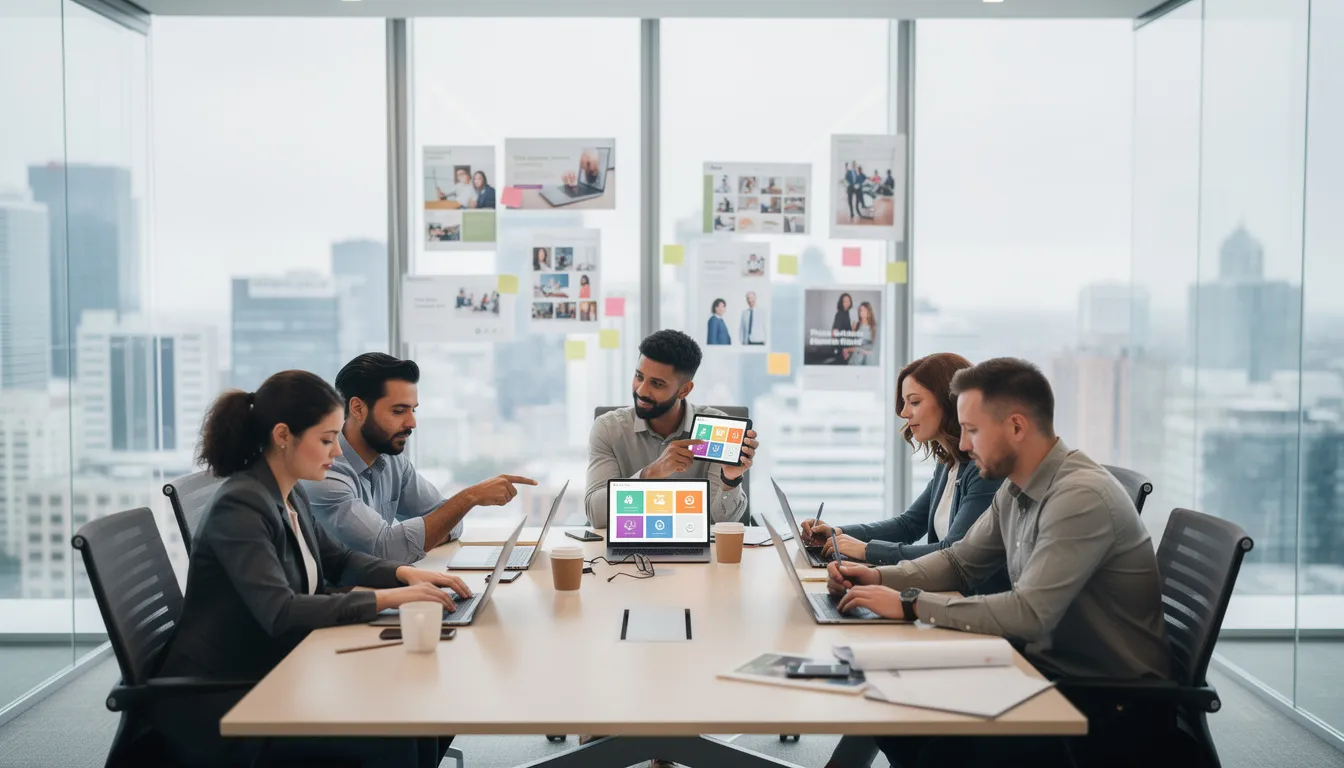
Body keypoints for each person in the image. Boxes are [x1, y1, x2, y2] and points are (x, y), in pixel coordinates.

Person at [827, 358, 1169, 767]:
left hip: (1103, 699)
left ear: (1016, 427)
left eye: (972, 430)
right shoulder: (1016, 487)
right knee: (892, 706)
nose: (965, 445)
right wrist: (879, 575)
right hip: (1040, 667)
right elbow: (959, 562)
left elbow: (1029, 614)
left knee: (932, 740)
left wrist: (909, 603)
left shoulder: (1079, 497)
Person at [156, 370, 466, 767]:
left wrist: (406, 575)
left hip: (280, 667)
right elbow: (282, 611)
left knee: (424, 714)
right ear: (283, 435)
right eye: (326, 439)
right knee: (399, 736)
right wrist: (389, 598)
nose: (337, 452)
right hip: (228, 698)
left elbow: (338, 559)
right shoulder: (242, 507)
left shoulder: (289, 492)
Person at [801, 353, 1008, 768]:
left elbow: (954, 553)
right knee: (873, 683)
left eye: (913, 401)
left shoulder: (984, 474)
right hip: (944, 600)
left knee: (877, 685)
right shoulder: (951, 463)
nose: (903, 413)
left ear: (948, 402)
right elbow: (910, 523)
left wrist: (868, 555)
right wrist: (843, 534)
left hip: (970, 612)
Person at [304, 353, 538, 563]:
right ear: (357, 409)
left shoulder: (393, 461)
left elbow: (450, 520)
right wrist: (470, 497)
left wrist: (414, 536)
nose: (411, 423)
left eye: (412, 410)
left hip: (384, 591)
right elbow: (387, 550)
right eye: (398, 411)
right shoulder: (324, 473)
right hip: (343, 603)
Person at [585, 329, 759, 529]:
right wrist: (650, 474)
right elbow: (596, 515)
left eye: (657, 384)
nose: (641, 390)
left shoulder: (716, 428)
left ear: (684, 390)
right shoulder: (608, 429)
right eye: (639, 376)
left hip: (696, 547)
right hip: (629, 543)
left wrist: (730, 479)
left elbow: (720, 523)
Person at [846, 301, 878, 366]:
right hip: (854, 360)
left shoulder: (874, 327)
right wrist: (853, 332)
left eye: (865, 310)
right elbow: (853, 343)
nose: (862, 312)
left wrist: (853, 349)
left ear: (869, 312)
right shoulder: (857, 325)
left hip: (867, 360)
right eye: (861, 310)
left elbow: (872, 350)